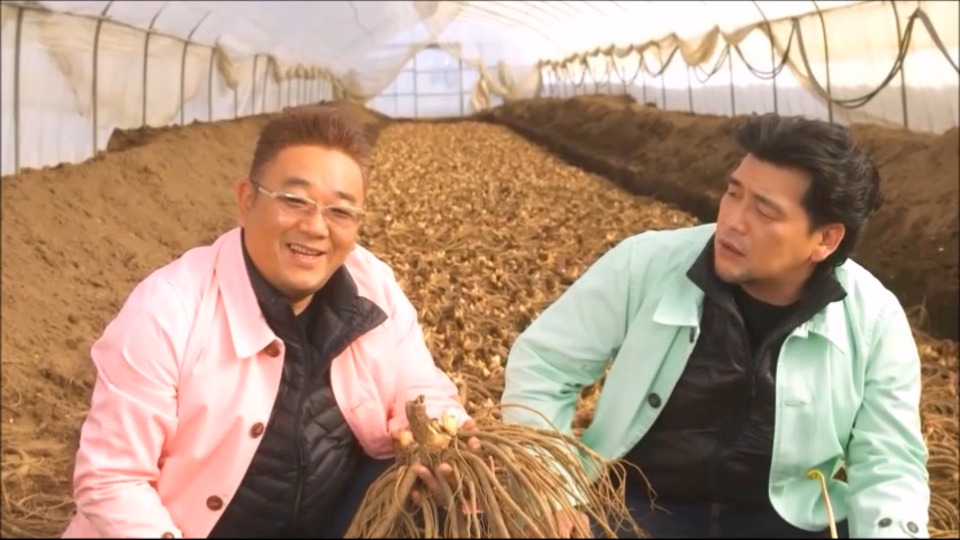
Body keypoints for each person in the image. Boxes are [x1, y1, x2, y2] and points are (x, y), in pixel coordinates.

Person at [500, 113, 930, 539]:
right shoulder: (644, 265)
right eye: (733, 193)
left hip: (786, 520)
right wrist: (549, 492)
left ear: (825, 239)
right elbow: (545, 365)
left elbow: (889, 461)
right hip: (635, 508)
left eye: (764, 210)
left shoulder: (874, 320)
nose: (733, 221)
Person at [62, 106, 476, 539]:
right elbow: (112, 479)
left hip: (326, 519)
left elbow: (419, 385)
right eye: (295, 201)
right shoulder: (168, 310)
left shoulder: (374, 286)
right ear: (247, 201)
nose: (316, 227)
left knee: (440, 500)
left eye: (340, 211)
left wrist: (442, 434)